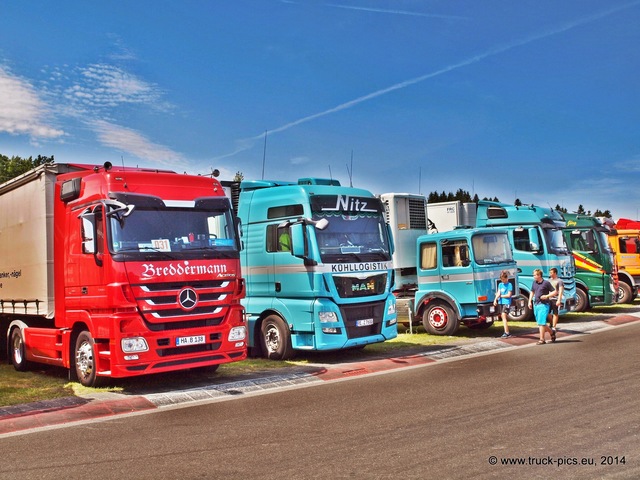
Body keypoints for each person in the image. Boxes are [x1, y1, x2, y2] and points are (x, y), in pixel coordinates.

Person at [528, 268, 556, 344]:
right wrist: (529, 301)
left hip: (544, 304)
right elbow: (532, 291)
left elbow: (555, 292)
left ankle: (542, 339)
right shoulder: (534, 283)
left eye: (535, 275)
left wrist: (547, 296)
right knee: (541, 322)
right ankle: (551, 332)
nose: (533, 276)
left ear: (539, 275)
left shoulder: (546, 283)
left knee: (541, 322)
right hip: (536, 304)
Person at [493, 270, 513, 338]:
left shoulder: (509, 285)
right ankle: (507, 332)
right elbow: (498, 292)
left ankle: (507, 332)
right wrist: (495, 299)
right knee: (502, 316)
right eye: (501, 279)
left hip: (506, 302)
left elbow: (509, 295)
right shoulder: (500, 284)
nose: (503, 281)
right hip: (501, 302)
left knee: (504, 316)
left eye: (504, 279)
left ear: (507, 278)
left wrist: (501, 296)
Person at [547, 267, 564, 333]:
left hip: (555, 298)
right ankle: (551, 323)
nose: (550, 274)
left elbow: (560, 290)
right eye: (550, 272)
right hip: (549, 298)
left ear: (555, 273)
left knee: (555, 313)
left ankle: (554, 326)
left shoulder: (559, 281)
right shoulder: (548, 280)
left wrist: (559, 300)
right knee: (547, 312)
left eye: (551, 272)